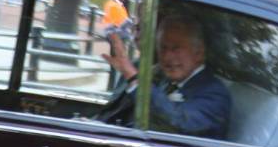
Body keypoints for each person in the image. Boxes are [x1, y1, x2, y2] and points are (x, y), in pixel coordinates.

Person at [97, 14, 232, 139]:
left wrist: (133, 77)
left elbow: (180, 125)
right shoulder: (165, 81)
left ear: (199, 53)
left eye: (176, 49)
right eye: (163, 48)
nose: (167, 57)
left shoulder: (214, 93)